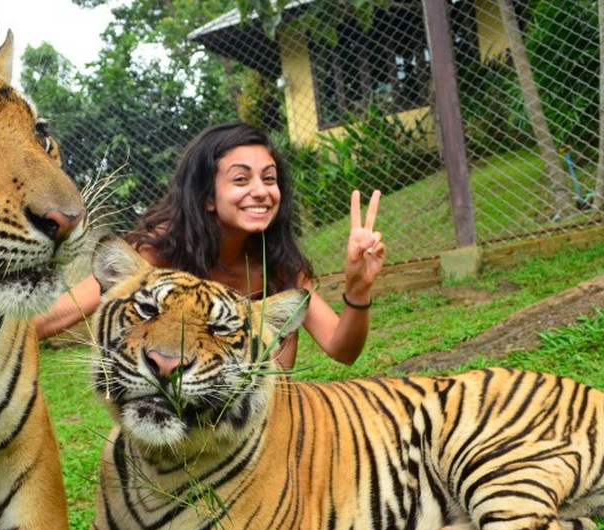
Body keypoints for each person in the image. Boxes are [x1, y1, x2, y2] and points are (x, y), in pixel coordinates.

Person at [34, 122, 386, 369]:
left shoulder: (278, 263)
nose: (261, 191)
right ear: (207, 197)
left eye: (269, 178)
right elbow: (56, 316)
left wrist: (358, 287)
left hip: (266, 420)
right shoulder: (161, 252)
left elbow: (342, 350)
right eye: (240, 179)